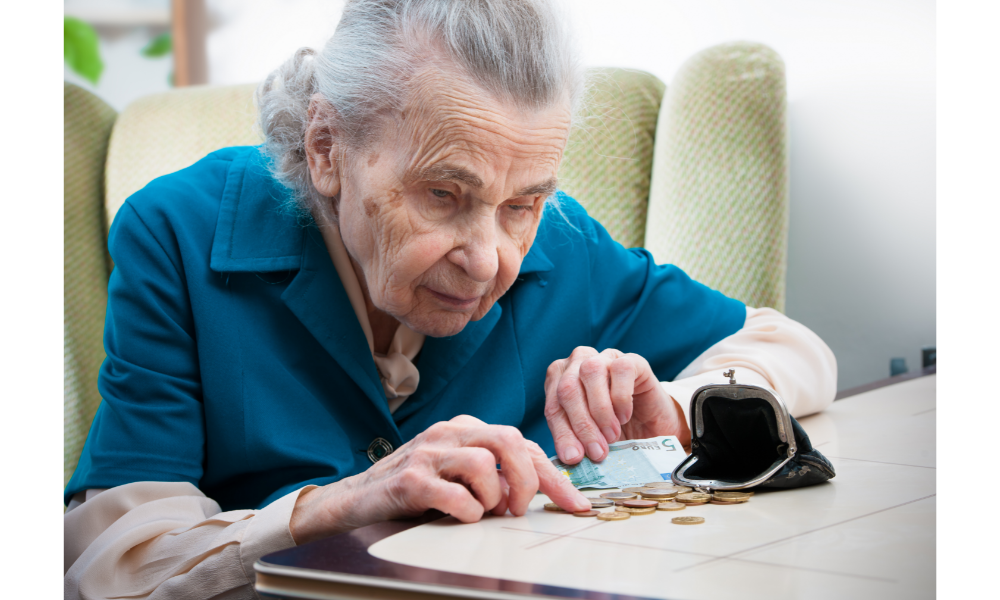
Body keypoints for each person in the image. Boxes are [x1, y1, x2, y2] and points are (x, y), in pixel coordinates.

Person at [64, 0, 836, 598]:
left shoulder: (562, 242)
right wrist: (342, 503)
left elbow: (792, 347)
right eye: (443, 193)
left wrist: (671, 406)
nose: (488, 257)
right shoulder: (179, 229)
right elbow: (110, 563)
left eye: (522, 203)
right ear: (327, 148)